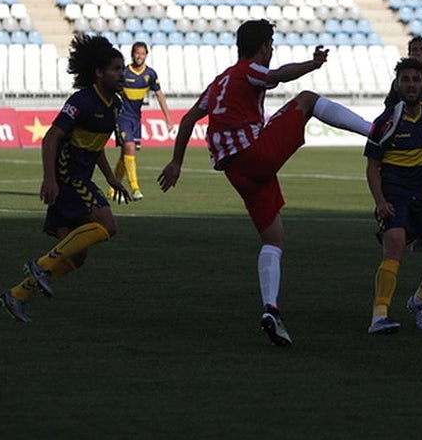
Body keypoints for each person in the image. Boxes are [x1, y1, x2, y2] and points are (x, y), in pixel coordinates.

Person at [157, 19, 372, 347]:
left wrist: (177, 162)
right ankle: (375, 132)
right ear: (262, 48)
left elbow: (188, 119)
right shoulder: (249, 70)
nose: (272, 50)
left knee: (273, 239)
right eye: (270, 45)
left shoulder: (219, 82)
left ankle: (271, 309)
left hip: (237, 172)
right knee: (307, 99)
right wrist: (312, 64)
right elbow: (276, 76)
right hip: (254, 154)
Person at [0, 34, 130, 322]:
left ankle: (16, 295)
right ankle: (42, 265)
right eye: (116, 69)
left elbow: (96, 149)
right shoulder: (81, 101)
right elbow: (51, 138)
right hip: (69, 178)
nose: (122, 74)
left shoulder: (114, 105)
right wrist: (50, 178)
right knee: (107, 225)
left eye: (123, 68)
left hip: (80, 177)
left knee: (76, 256)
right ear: (99, 72)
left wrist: (111, 179)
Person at [365, 58, 422, 335]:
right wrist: (380, 202)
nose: (411, 85)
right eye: (405, 80)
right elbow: (372, 166)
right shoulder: (385, 122)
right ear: (397, 85)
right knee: (395, 243)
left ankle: (419, 301)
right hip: (396, 196)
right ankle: (379, 316)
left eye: (415, 80)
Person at [111, 41, 171, 201]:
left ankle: (113, 187)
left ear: (146, 55)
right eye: (137, 53)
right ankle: (135, 188)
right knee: (129, 148)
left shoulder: (150, 74)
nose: (139, 56)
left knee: (126, 153)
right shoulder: (124, 72)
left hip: (136, 118)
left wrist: (168, 117)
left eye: (143, 53)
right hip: (122, 117)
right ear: (132, 54)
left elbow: (159, 95)